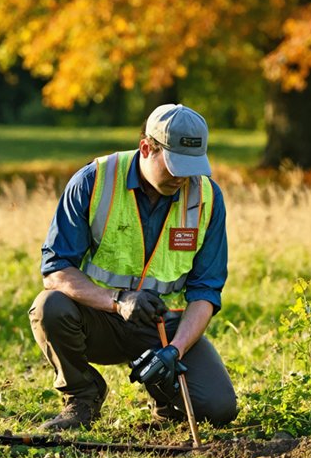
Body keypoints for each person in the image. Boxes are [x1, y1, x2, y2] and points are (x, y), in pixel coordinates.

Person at [28, 104, 238, 431]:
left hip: (164, 328)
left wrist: (174, 351)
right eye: (175, 166)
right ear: (146, 148)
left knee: (219, 409)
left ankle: (166, 401)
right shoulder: (93, 181)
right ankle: (82, 397)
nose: (182, 178)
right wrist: (118, 301)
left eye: (191, 167)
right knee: (49, 307)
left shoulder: (208, 198)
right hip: (98, 318)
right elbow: (56, 270)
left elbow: (206, 290)